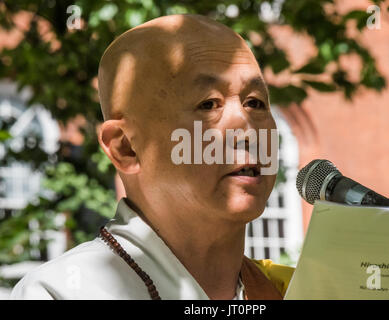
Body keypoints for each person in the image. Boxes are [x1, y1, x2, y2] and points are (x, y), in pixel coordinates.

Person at [10, 14, 294, 300]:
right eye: (208, 104)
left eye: (255, 103)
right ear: (126, 148)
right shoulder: (64, 291)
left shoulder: (298, 290)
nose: (246, 129)